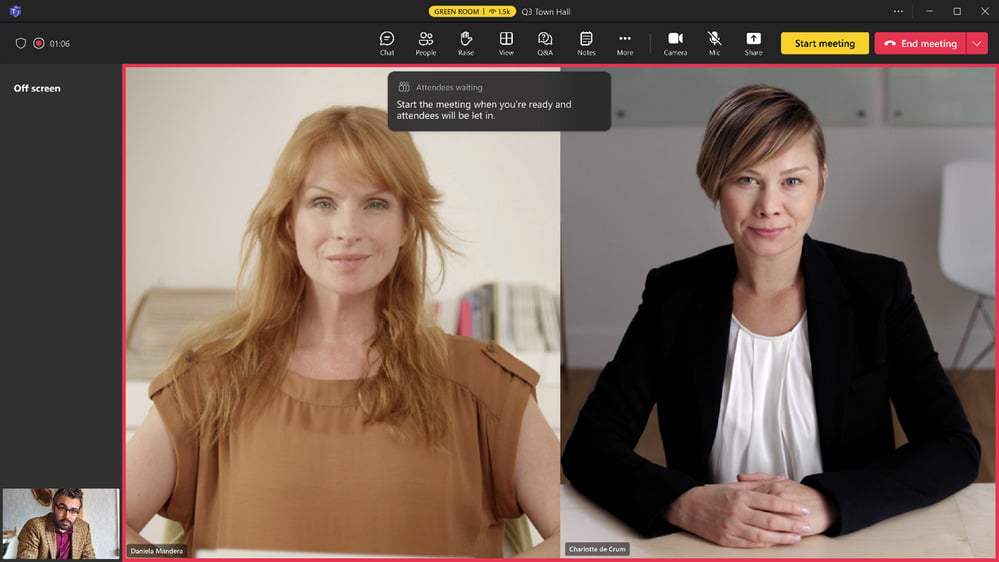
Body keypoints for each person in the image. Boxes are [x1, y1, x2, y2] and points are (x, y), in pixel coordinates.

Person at [125, 106, 559, 557]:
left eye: (376, 204)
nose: (348, 230)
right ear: (290, 221)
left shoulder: (485, 385)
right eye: (323, 203)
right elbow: (93, 526)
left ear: (407, 224)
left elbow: (582, 539)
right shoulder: (209, 382)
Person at [561, 84, 980, 548]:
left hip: (845, 543)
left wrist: (828, 502)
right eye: (746, 179)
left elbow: (953, 446)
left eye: (792, 181)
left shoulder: (878, 288)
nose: (769, 205)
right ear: (713, 182)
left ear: (821, 182)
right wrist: (686, 501)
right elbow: (589, 447)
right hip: (709, 545)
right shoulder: (673, 294)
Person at [17, 488, 96, 559]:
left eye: (73, 511)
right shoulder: (34, 526)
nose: (67, 516)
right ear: (53, 508)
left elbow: (89, 556)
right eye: (62, 508)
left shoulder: (84, 528)